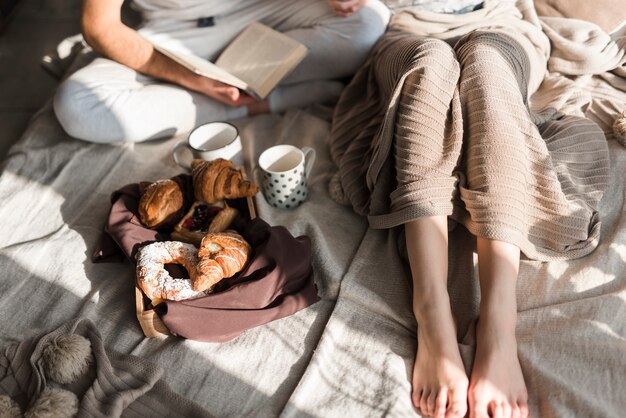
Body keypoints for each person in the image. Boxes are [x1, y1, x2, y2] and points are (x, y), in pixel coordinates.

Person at [328, 1, 610, 417]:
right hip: (408, 31)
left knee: (486, 63)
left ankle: (498, 324)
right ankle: (432, 313)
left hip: (500, 26)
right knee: (430, 61)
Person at [53, 0, 390, 143]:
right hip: (174, 32)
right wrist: (190, 77)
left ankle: (244, 85)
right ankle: (267, 99)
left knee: (367, 21)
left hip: (265, 10)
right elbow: (99, 27)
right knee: (78, 105)